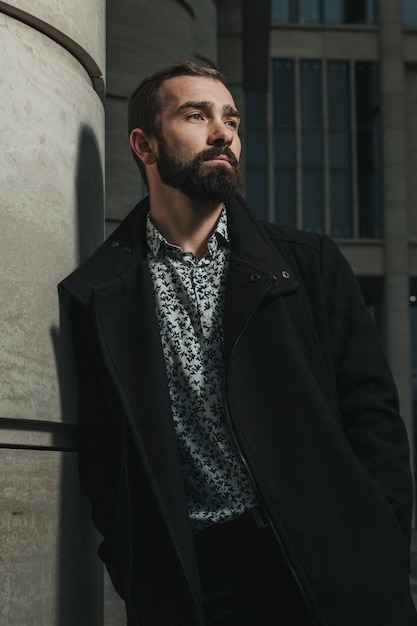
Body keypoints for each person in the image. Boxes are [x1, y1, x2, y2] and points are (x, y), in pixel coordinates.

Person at [58, 61, 417, 625]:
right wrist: (134, 569)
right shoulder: (97, 296)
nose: (222, 131)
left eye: (231, 118)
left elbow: (375, 423)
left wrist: (378, 542)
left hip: (328, 565)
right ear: (144, 145)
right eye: (196, 115)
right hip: (198, 584)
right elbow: (106, 465)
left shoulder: (308, 265)